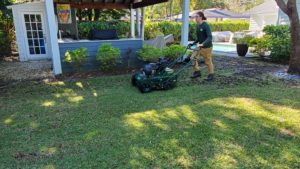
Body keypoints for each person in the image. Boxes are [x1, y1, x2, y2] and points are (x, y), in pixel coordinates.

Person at [188, 11, 214, 81]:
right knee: (192, 58)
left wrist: (203, 43)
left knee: (208, 61)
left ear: (201, 17)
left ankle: (211, 75)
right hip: (199, 46)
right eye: (195, 17)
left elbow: (209, 37)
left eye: (196, 17)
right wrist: (193, 43)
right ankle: (197, 72)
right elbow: (198, 38)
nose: (195, 18)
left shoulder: (206, 25)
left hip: (207, 47)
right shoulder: (198, 26)